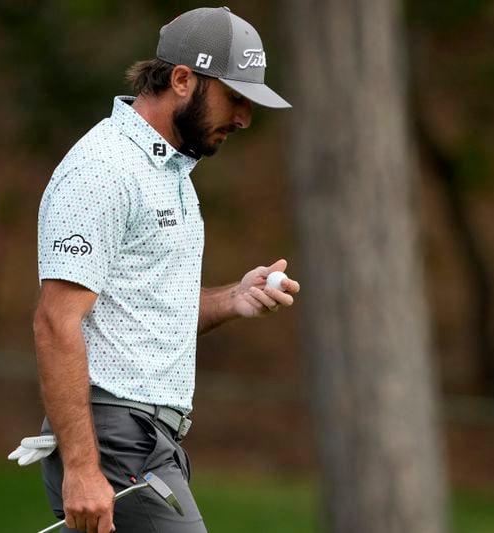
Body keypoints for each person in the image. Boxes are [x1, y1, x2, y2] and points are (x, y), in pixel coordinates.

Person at [32, 7, 300, 533]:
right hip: (112, 437)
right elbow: (54, 322)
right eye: (236, 98)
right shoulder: (104, 170)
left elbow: (138, 310)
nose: (244, 118)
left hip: (148, 439)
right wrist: (84, 471)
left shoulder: (169, 172)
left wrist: (233, 299)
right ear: (182, 80)